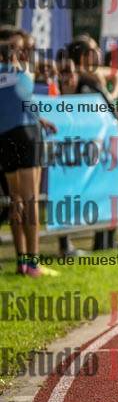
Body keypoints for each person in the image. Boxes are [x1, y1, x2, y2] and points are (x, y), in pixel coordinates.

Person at [0, 26, 58, 276]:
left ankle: (22, 262)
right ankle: (33, 263)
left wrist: (40, 117)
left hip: (4, 137)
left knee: (16, 201)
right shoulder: (24, 70)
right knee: (30, 200)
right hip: (26, 134)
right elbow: (25, 90)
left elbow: (19, 99)